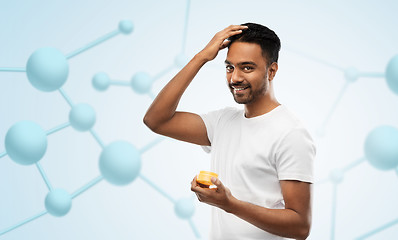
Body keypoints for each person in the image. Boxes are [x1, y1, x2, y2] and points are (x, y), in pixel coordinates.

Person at [143, 23, 315, 240]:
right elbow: (156, 120)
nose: (235, 78)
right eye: (229, 67)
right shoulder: (223, 121)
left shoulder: (291, 133)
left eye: (247, 68)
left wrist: (229, 204)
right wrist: (201, 57)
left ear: (271, 71)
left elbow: (300, 227)